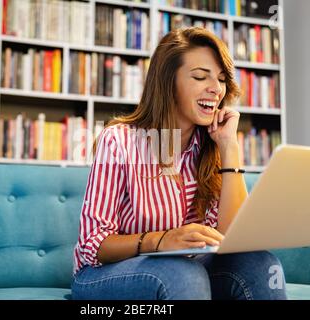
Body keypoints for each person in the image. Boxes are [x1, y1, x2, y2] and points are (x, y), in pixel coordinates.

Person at [71, 26, 287, 300]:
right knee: (182, 273)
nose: (216, 89)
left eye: (221, 80)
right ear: (168, 82)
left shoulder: (210, 145)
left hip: (188, 267)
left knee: (260, 263)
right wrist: (161, 240)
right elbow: (94, 244)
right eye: (200, 77)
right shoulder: (119, 140)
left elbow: (231, 238)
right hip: (103, 273)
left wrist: (229, 147)